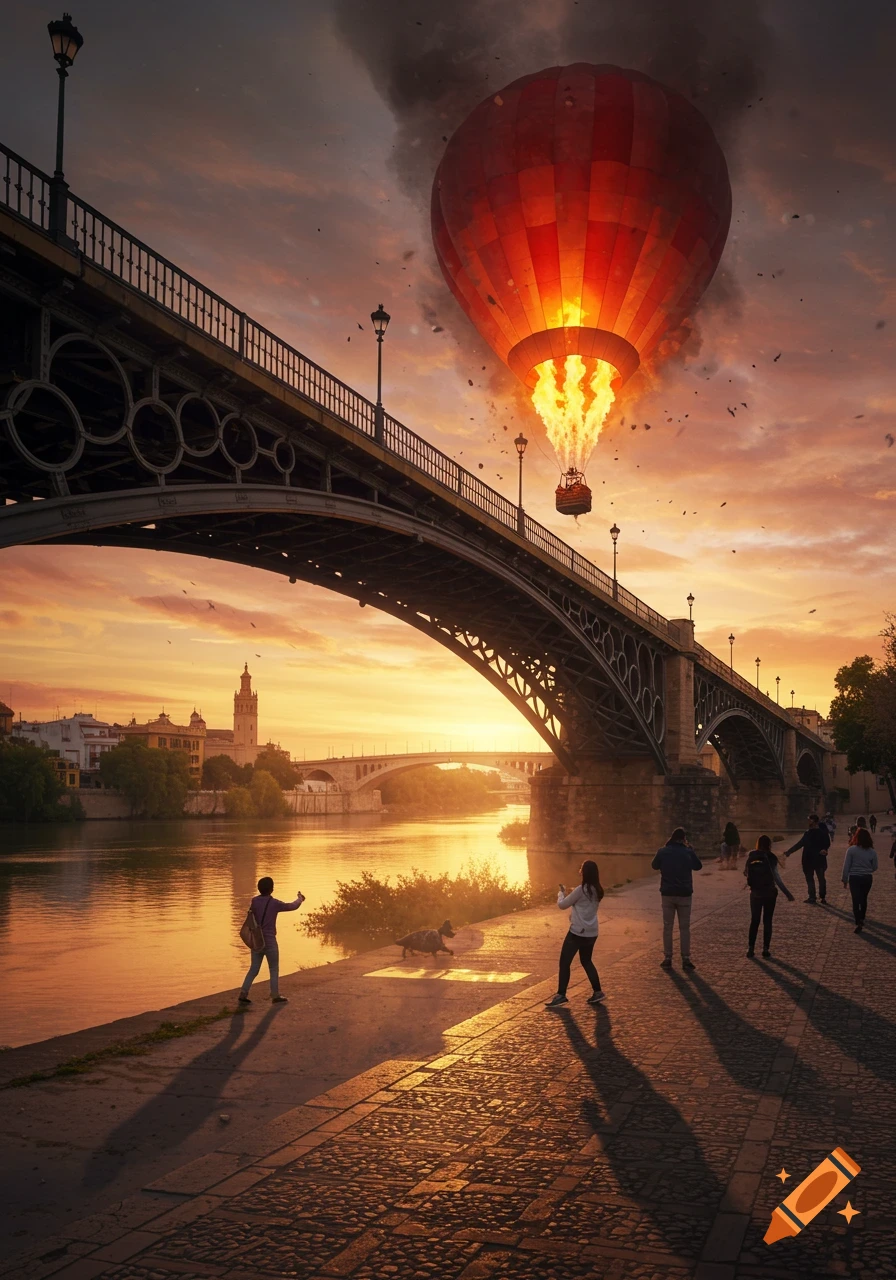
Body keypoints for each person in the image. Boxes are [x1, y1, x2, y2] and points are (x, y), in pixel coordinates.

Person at [545, 860, 605, 1008]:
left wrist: (561, 893)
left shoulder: (581, 889)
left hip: (578, 932)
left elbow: (562, 905)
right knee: (586, 961)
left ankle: (561, 995)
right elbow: (583, 904)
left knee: (564, 962)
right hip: (592, 932)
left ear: (584, 873)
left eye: (581, 870)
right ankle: (598, 992)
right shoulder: (598, 890)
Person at [238, 876, 305, 1004]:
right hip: (269, 941)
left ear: (259, 888)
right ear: (271, 889)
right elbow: (292, 906)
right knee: (273, 968)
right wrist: (300, 899)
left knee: (253, 969)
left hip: (257, 940)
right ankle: (275, 995)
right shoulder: (274, 903)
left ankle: (243, 993)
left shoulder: (254, 901)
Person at [652, 827, 702, 970]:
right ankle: (685, 958)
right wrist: (691, 850)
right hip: (684, 894)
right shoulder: (687, 852)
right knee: (684, 928)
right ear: (683, 839)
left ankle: (668, 957)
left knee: (668, 927)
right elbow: (698, 866)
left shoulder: (662, 851)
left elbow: (654, 865)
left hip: (667, 893)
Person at [744, 835, 794, 959]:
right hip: (769, 892)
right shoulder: (771, 857)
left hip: (755, 893)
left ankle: (750, 948)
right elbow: (776, 877)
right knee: (767, 920)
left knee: (754, 920)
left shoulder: (751, 855)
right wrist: (787, 893)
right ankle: (765, 949)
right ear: (769, 845)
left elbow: (746, 872)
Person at [783, 814, 831, 904]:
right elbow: (800, 844)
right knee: (817, 879)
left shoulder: (811, 833)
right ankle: (818, 897)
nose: (808, 822)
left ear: (813, 821)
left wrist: (824, 849)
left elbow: (800, 844)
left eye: (809, 820)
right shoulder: (815, 833)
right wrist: (789, 852)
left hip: (811, 859)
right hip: (815, 860)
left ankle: (816, 897)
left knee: (815, 879)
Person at [842, 828, 878, 933]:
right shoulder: (872, 852)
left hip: (855, 877)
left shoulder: (851, 850)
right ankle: (862, 918)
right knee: (863, 898)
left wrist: (845, 879)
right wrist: (867, 869)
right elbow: (875, 867)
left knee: (855, 899)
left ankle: (858, 920)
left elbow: (846, 866)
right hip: (867, 877)